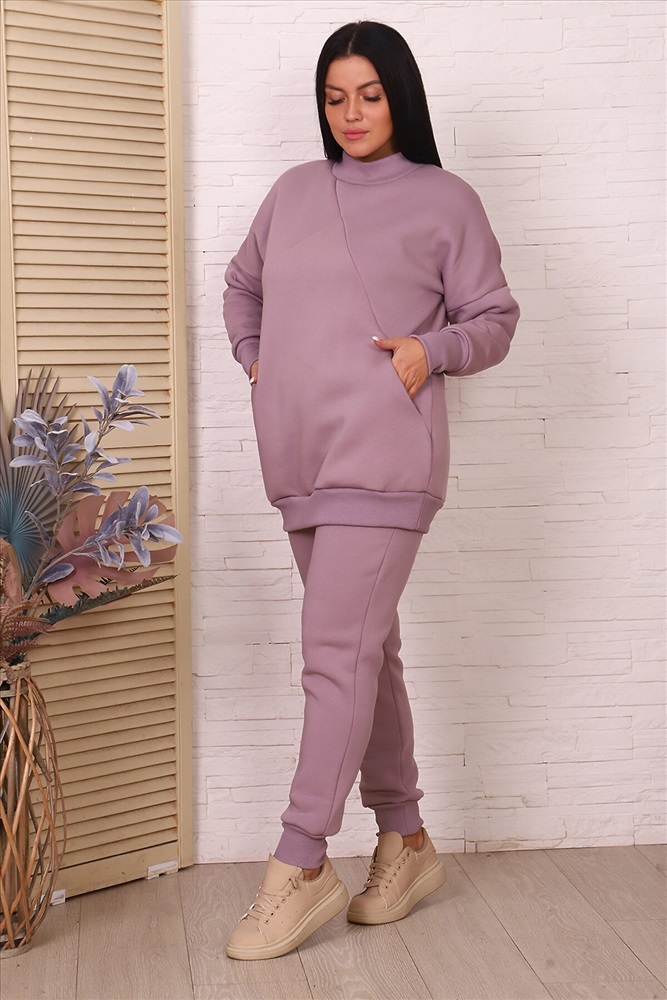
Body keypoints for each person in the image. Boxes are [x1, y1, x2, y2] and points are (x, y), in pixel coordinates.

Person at [222, 20, 520, 961]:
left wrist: (431, 350)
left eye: (369, 94)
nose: (350, 113)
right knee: (364, 650)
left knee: (332, 654)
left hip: (386, 459)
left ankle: (300, 862)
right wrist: (257, 359)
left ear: (400, 96)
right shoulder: (292, 192)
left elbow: (493, 317)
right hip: (297, 460)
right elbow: (240, 287)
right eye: (334, 96)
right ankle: (407, 839)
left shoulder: (444, 199)